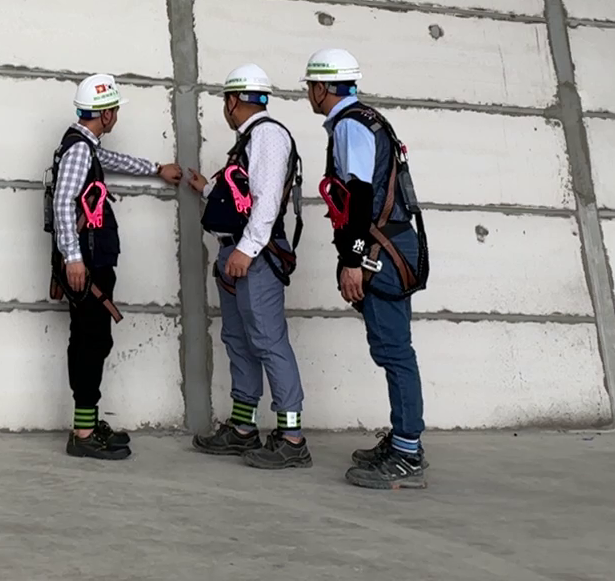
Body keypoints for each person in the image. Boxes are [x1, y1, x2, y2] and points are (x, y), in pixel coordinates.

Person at [303, 48, 431, 490]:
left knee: (395, 351)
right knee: (393, 348)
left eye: (310, 86)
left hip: (381, 249)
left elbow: (357, 194)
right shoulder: (369, 119)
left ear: (323, 87)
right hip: (392, 242)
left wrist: (352, 260)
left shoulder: (350, 125)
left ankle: (407, 453)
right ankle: (403, 440)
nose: (309, 93)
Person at [45, 73, 182, 460]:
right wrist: (74, 259)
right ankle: (84, 434)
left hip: (90, 262)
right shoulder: (79, 151)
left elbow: (113, 160)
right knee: (91, 341)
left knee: (91, 339)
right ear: (105, 115)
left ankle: (86, 422)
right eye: (115, 110)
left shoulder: (84, 147)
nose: (117, 116)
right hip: (87, 266)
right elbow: (63, 203)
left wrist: (156, 168)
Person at [188, 64, 309, 470]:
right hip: (237, 253)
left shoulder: (268, 136)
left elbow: (267, 199)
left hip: (254, 256)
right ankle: (243, 428)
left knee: (268, 340)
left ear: (232, 101)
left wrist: (247, 249)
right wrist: (206, 188)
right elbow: (241, 195)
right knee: (238, 339)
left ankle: (292, 438)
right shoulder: (249, 139)